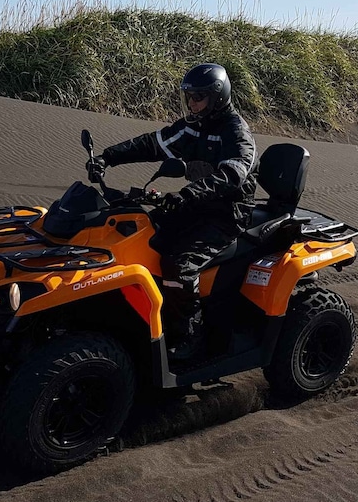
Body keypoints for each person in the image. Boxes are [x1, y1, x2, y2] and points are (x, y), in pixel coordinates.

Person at [86, 63, 257, 359]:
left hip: (227, 213)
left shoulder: (236, 132)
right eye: (189, 97)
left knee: (180, 263)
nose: (191, 104)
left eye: (198, 97)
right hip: (195, 204)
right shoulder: (193, 126)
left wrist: (190, 193)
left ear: (217, 97)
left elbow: (233, 175)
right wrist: (107, 157)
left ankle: (191, 332)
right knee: (143, 236)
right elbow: (154, 144)